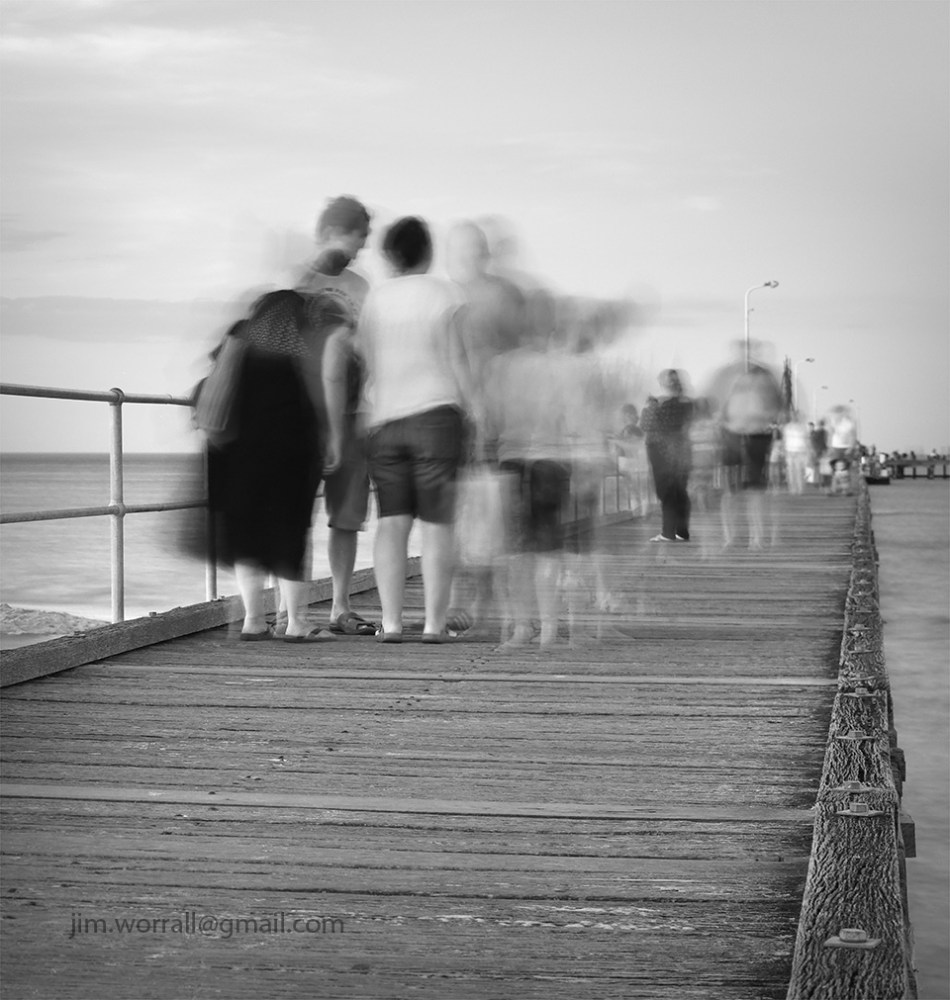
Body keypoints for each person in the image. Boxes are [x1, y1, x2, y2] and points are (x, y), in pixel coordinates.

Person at [355, 216, 475, 643]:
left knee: (392, 522)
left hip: (385, 420)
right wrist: (476, 412)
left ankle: (390, 624)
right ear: (427, 251)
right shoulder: (445, 293)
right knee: (438, 524)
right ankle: (433, 625)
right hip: (436, 416)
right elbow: (458, 357)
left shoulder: (376, 299)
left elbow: (366, 361)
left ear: (390, 255)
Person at [208, 290, 348, 640]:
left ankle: (253, 620)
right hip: (291, 460)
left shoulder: (239, 341)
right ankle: (296, 623)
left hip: (238, 459)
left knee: (247, 540)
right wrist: (331, 441)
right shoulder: (299, 352)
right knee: (290, 537)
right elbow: (318, 401)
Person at [296, 195, 378, 636]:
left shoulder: (362, 287)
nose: (359, 250)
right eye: (355, 239)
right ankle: (291, 611)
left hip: (353, 413)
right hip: (303, 412)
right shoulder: (298, 280)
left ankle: (340, 606)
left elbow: (371, 347)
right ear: (329, 231)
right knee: (294, 514)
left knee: (347, 516)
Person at [706, 342, 783, 549]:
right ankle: (729, 537)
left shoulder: (766, 375)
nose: (745, 355)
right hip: (731, 435)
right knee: (730, 490)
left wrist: (767, 417)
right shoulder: (725, 375)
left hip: (758, 436)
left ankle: (756, 538)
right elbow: (714, 404)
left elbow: (778, 404)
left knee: (756, 490)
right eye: (741, 351)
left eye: (749, 351)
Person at [641, 369, 694, 542]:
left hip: (661, 451)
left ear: (663, 383)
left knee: (666, 491)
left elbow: (646, 425)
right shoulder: (686, 403)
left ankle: (668, 532)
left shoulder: (660, 404)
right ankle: (682, 531)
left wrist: (650, 406)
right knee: (680, 490)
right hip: (682, 450)